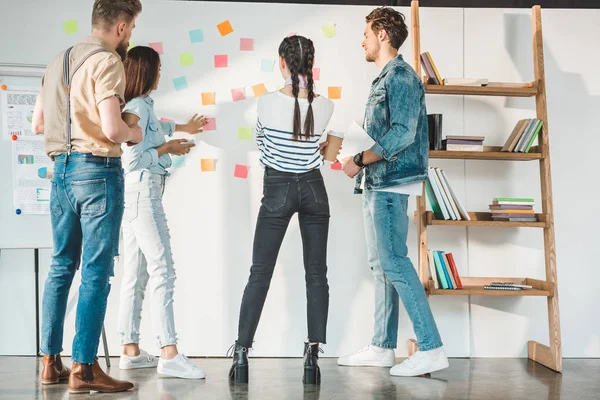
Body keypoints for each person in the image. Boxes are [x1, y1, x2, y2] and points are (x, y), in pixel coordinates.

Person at [32, 0, 143, 393]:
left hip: (59, 172)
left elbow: (38, 123)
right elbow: (113, 130)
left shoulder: (56, 63)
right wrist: (135, 132)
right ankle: (84, 369)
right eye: (131, 28)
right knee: (96, 273)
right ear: (121, 27)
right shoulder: (108, 61)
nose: (130, 35)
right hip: (96, 172)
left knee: (61, 267)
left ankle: (50, 363)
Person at [337, 7, 449, 377]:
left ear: (382, 34)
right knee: (381, 266)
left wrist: (359, 157)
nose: (363, 40)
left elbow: (402, 132)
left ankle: (431, 348)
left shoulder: (400, 76)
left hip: (389, 182)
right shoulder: (386, 76)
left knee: (395, 262)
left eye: (367, 33)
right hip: (376, 182)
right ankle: (383, 347)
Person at [228, 35, 335, 385]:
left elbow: (261, 143)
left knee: (260, 272)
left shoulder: (265, 103)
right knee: (316, 274)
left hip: (277, 188)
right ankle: (312, 358)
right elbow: (322, 148)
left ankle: (242, 354)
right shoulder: (327, 105)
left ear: (283, 63)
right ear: (311, 64)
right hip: (314, 189)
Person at [116, 45, 207, 380]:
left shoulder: (142, 106)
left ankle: (130, 350)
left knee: (135, 276)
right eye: (158, 68)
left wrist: (181, 128)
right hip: (143, 194)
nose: (161, 73)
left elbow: (156, 126)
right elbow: (133, 159)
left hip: (136, 196)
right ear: (146, 71)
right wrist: (167, 149)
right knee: (163, 271)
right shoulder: (137, 106)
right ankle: (169, 353)